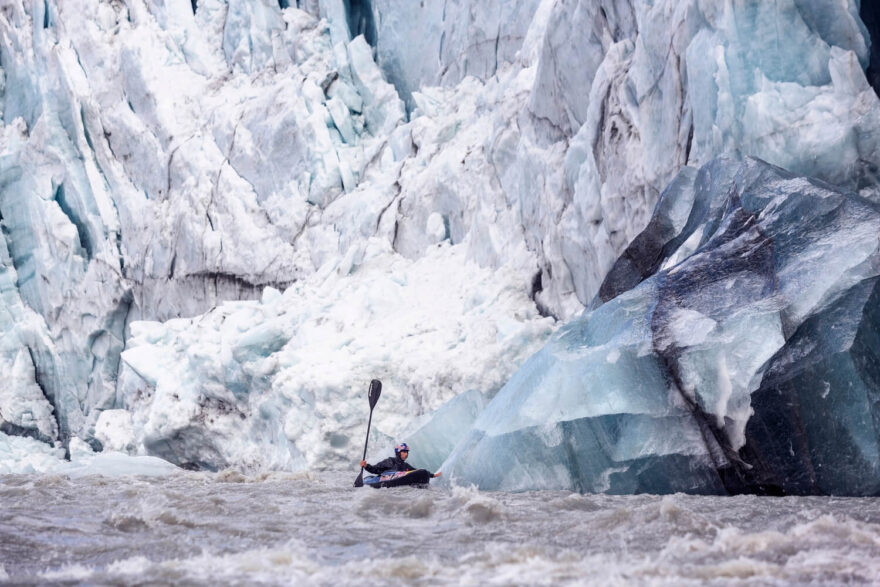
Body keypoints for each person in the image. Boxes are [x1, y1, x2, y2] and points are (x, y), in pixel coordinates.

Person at [360, 443, 442, 478]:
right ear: (398, 453)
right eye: (404, 452)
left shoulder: (406, 466)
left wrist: (433, 475)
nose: (406, 454)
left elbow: (417, 471)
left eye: (407, 452)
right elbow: (375, 469)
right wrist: (366, 466)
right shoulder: (390, 461)